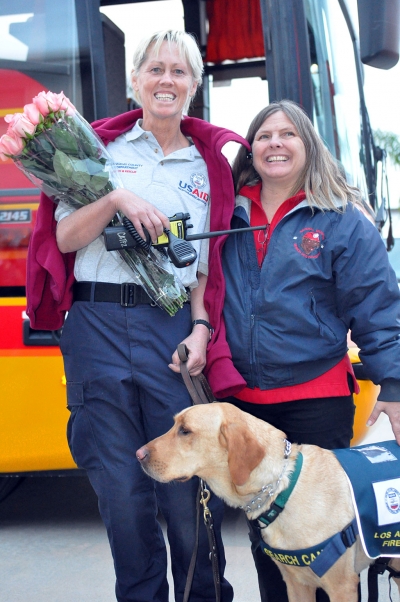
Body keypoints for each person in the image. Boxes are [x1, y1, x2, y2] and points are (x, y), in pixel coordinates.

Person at [26, 29, 249, 602]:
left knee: (184, 489)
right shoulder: (99, 153)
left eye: (179, 72)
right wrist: (117, 199)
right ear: (136, 81)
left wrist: (201, 329)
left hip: (169, 331)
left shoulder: (208, 167)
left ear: (194, 86)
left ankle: (203, 595)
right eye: (155, 70)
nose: (166, 81)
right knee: (122, 493)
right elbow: (68, 238)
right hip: (96, 328)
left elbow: (204, 269)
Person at [201, 100, 400, 602]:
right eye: (264, 135)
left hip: (317, 401)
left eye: (287, 134)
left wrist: (395, 385)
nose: (275, 143)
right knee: (270, 538)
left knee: (331, 539)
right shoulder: (225, 213)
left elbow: (377, 305)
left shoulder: (340, 219)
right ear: (252, 149)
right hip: (245, 410)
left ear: (307, 146)